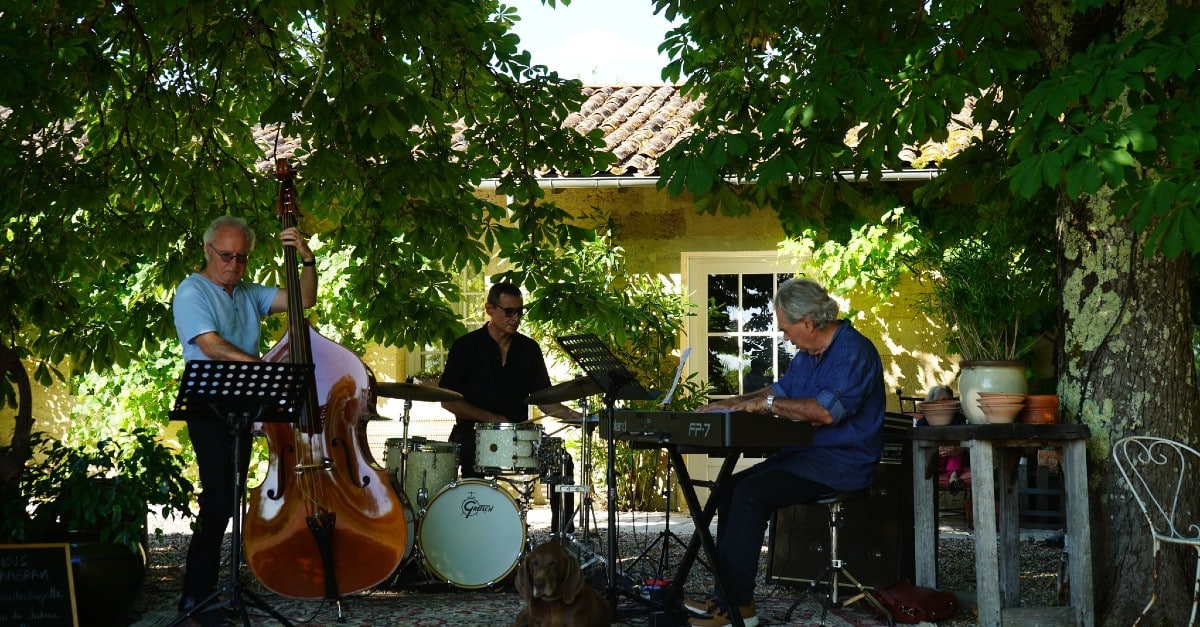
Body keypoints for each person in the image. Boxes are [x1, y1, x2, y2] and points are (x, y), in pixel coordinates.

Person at [684, 278, 886, 627]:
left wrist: (768, 404)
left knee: (750, 494)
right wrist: (735, 403)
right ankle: (729, 599)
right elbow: (778, 391)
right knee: (731, 489)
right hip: (807, 457)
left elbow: (825, 412)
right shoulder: (809, 354)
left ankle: (738, 608)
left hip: (843, 463)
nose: (784, 336)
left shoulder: (854, 353)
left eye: (786, 329)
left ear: (808, 323)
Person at [171, 215, 317, 615]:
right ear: (207, 251)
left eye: (242, 258)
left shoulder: (248, 292)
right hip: (209, 406)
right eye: (226, 256)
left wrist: (307, 260)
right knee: (217, 499)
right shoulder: (192, 290)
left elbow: (304, 300)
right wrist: (266, 369)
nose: (234, 264)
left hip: (239, 407)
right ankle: (193, 596)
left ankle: (221, 590)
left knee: (232, 497)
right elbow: (212, 346)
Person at [438, 282, 582, 527]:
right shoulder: (465, 347)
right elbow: (448, 400)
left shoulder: (529, 349)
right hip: (472, 434)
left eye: (520, 312)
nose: (515, 318)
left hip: (519, 437)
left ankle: (561, 535)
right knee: (472, 462)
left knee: (562, 459)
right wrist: (492, 419)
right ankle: (476, 528)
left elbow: (545, 400)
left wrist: (576, 416)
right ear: (489, 309)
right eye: (509, 312)